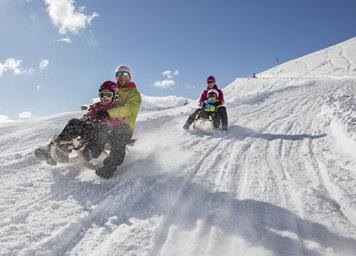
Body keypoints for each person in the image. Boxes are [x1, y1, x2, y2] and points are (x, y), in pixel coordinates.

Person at [94, 65, 142, 178]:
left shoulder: (134, 94)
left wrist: (110, 113)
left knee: (119, 134)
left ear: (130, 76)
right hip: (109, 123)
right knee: (92, 127)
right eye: (119, 74)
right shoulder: (113, 90)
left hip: (125, 125)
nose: (122, 76)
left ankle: (109, 167)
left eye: (125, 74)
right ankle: (84, 151)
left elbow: (129, 109)